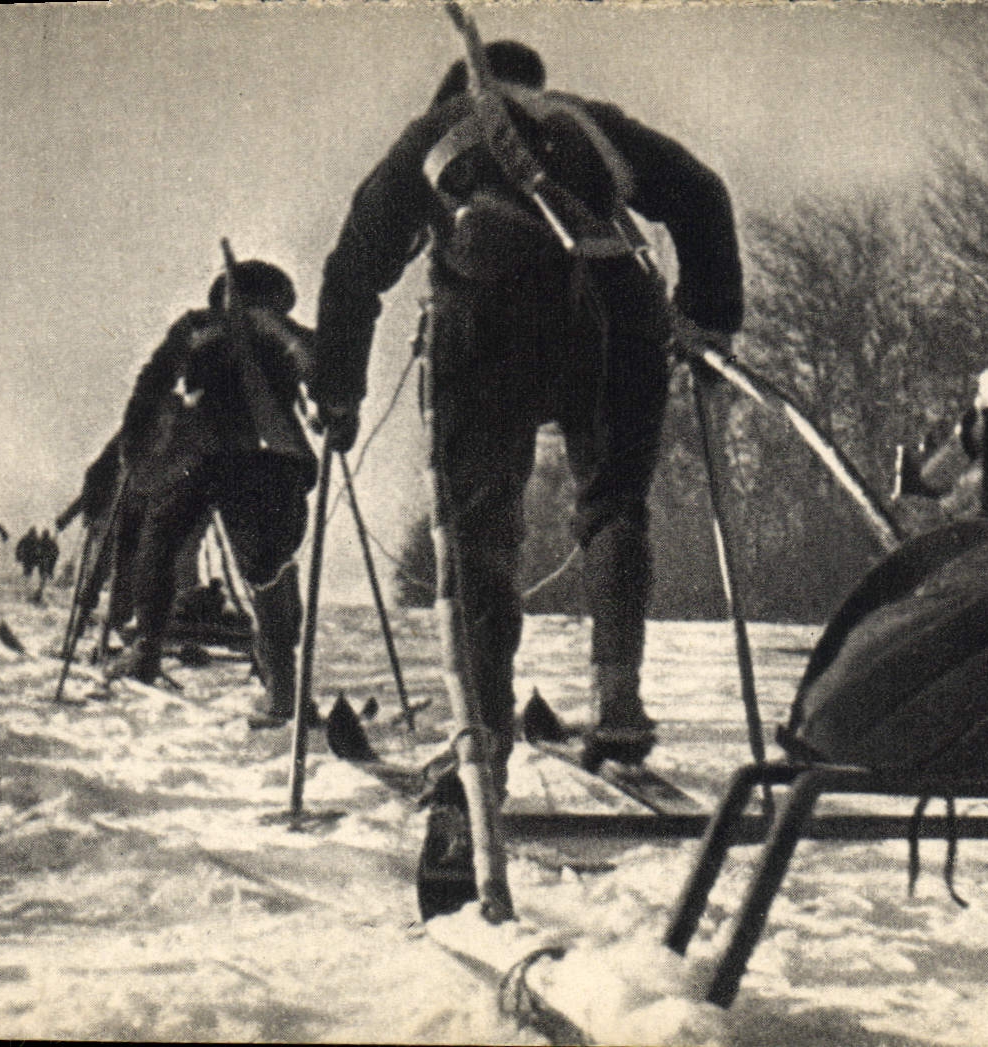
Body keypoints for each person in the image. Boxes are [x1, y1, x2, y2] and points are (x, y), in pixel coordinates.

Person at [308, 39, 743, 790]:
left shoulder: (435, 130)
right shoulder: (585, 119)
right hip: (618, 312)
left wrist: (337, 391)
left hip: (490, 317)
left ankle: (484, 733)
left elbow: (354, 266)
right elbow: (701, 194)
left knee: (480, 522)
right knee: (614, 504)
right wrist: (707, 316)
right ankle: (620, 698)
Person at [104, 257, 319, 729]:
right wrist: (139, 439)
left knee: (261, 562)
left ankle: (283, 685)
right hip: (216, 457)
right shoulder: (203, 330)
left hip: (260, 459)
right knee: (163, 541)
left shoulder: (276, 332)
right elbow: (154, 380)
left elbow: (321, 371)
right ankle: (149, 651)